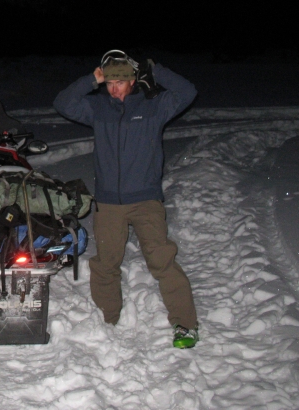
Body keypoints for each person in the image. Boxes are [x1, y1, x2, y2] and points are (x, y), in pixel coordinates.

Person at [53, 50, 199, 349]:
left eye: (120, 82)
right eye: (109, 82)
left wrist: (156, 70)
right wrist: (91, 79)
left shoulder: (154, 106)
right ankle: (107, 319)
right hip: (109, 203)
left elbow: (187, 91)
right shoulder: (99, 109)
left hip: (146, 200)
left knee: (162, 261)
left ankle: (185, 325)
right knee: (105, 263)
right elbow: (63, 103)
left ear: (133, 81)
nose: (114, 88)